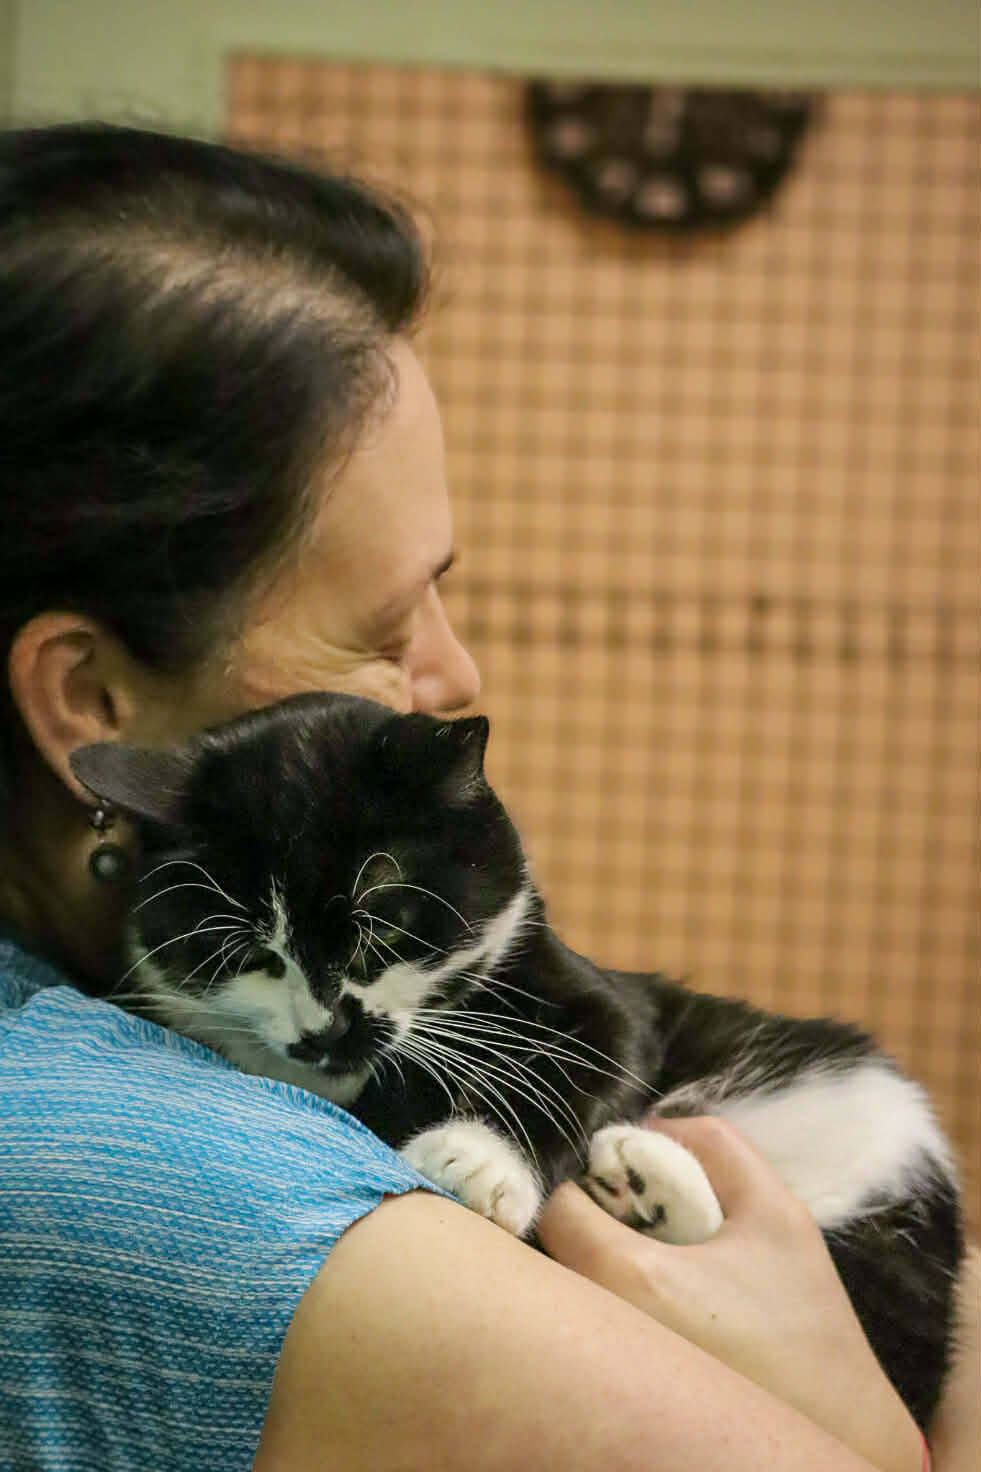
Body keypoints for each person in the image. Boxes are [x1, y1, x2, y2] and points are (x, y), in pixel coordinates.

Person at [0, 122, 973, 1472]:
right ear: (94, 700)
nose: (453, 670)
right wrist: (860, 1413)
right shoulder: (218, 1198)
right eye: (389, 620)